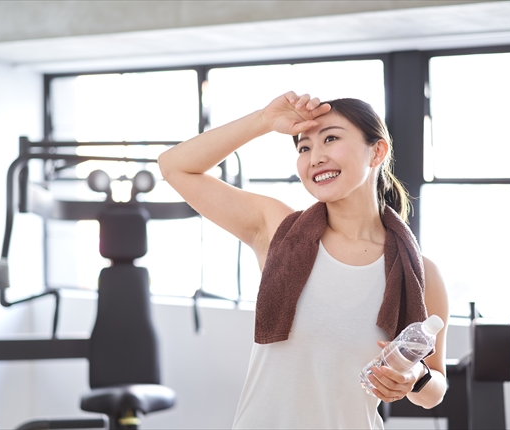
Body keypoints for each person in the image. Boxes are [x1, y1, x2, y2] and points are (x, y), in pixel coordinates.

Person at [157, 92, 449, 429]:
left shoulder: (419, 272)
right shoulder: (277, 231)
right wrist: (264, 120)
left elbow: (435, 390)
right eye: (304, 147)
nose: (315, 158)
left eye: (331, 138)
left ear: (377, 151)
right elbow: (174, 166)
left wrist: (413, 376)